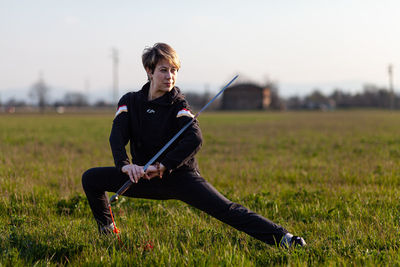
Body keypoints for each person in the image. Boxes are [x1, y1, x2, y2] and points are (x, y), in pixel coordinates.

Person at [82, 43, 306, 248]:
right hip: (142, 177)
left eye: (174, 71)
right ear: (149, 71)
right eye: (163, 70)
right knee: (91, 179)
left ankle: (286, 239)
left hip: (181, 177)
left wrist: (163, 165)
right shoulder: (129, 101)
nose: (170, 76)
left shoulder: (178, 103)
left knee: (228, 210)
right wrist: (124, 166)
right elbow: (116, 136)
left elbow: (194, 138)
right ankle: (109, 234)